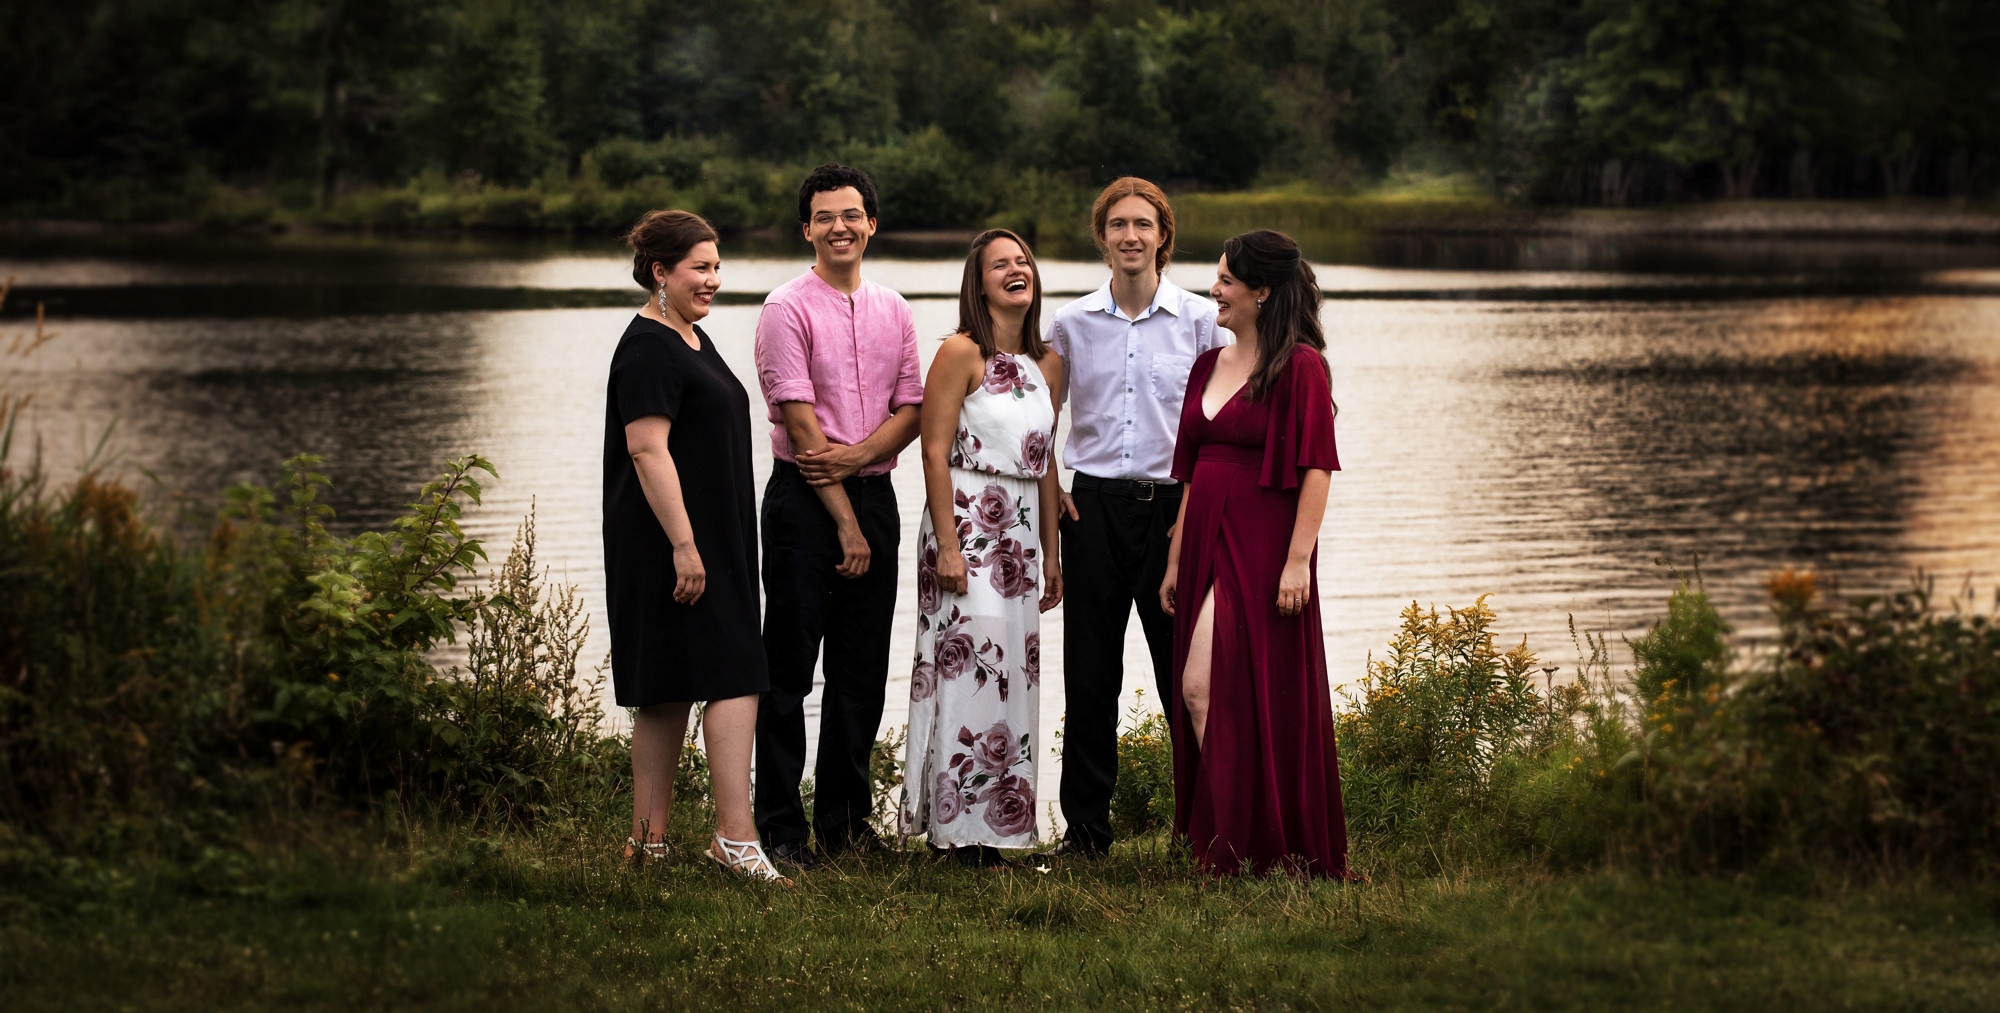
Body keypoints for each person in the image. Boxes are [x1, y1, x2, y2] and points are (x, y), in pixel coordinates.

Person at [1159, 229, 1352, 878]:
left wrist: (1297, 561)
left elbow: (1318, 467)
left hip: (1264, 542)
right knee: (1211, 689)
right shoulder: (1205, 366)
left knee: (1209, 687)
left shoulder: (1300, 366)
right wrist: (1176, 557)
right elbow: (1192, 471)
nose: (1213, 290)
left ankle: (1248, 842)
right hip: (1204, 537)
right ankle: (1238, 840)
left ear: (1261, 291)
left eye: (1225, 280)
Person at [603, 209, 785, 884]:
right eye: (699, 268)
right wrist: (684, 545)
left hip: (709, 536)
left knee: (669, 685)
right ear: (660, 271)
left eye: (716, 267)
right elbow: (646, 449)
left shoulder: (689, 336)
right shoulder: (649, 347)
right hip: (674, 540)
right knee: (735, 673)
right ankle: (734, 838)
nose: (712, 279)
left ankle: (647, 845)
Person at [1046, 177, 1225, 858]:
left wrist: (1194, 507)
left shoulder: (1201, 322)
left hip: (1173, 514)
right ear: (1102, 236)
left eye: (1142, 224)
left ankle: (1203, 830)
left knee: (1184, 674)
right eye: (1117, 224)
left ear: (1163, 236)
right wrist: (1053, 493)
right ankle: (1086, 834)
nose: (1130, 235)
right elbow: (1040, 422)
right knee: (1090, 677)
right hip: (1091, 510)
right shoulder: (1070, 324)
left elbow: (1214, 426)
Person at [753, 164, 924, 871]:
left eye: (851, 215)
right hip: (803, 502)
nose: (839, 227)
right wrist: (845, 523)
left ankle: (846, 825)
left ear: (871, 224)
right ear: (807, 230)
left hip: (876, 498)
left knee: (860, 669)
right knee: (789, 669)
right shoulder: (785, 308)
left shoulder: (896, 309)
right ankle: (780, 829)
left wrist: (857, 462)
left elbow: (911, 410)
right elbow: (799, 423)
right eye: (824, 217)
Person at [898, 229, 1066, 868]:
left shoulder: (1049, 363)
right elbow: (933, 451)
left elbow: (1045, 464)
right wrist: (947, 546)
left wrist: (1052, 554)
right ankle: (954, 833)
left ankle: (997, 830)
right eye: (1001, 264)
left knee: (1012, 674)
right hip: (967, 527)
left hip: (1020, 540)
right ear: (980, 281)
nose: (1017, 270)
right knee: (965, 669)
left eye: (1024, 260)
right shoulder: (960, 352)